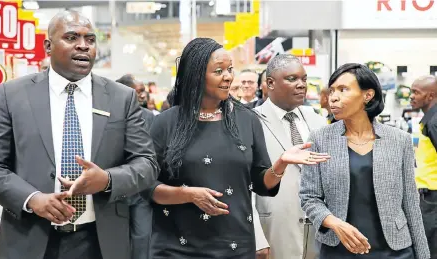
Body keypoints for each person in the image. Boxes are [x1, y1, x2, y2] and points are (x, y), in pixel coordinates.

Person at [0, 10, 159, 259]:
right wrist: (32, 199)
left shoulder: (121, 98)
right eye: (72, 37)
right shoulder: (13, 95)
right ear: (48, 46)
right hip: (30, 239)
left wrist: (106, 180)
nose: (83, 46)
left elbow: (147, 164)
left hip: (100, 242)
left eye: (90, 39)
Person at [143, 38, 330, 259]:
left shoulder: (246, 119)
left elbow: (261, 183)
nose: (228, 76)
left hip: (235, 244)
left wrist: (281, 164)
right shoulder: (165, 123)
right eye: (219, 71)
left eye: (230, 69)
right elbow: (147, 187)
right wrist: (187, 195)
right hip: (177, 247)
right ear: (196, 75)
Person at [299, 63, 430, 259]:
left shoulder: (399, 140)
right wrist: (334, 222)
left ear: (367, 95)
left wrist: (423, 255)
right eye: (333, 90)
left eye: (343, 90)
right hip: (338, 249)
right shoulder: (320, 139)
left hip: (395, 250)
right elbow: (309, 197)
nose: (333, 97)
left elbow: (410, 203)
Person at [253, 54, 326, 259]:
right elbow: (244, 183)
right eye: (292, 79)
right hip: (273, 230)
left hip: (317, 232)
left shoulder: (317, 120)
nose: (301, 85)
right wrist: (258, 238)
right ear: (270, 83)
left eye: (304, 79)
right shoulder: (251, 121)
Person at [115, 74, 155, 259]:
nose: (142, 95)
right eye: (137, 91)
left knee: (142, 238)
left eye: (143, 91)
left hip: (141, 190)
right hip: (113, 187)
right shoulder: (107, 113)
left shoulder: (149, 117)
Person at [410, 75, 437, 259]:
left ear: (430, 96)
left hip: (432, 198)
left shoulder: (434, 122)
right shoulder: (428, 119)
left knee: (429, 249)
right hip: (427, 195)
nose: (411, 96)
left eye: (416, 92)